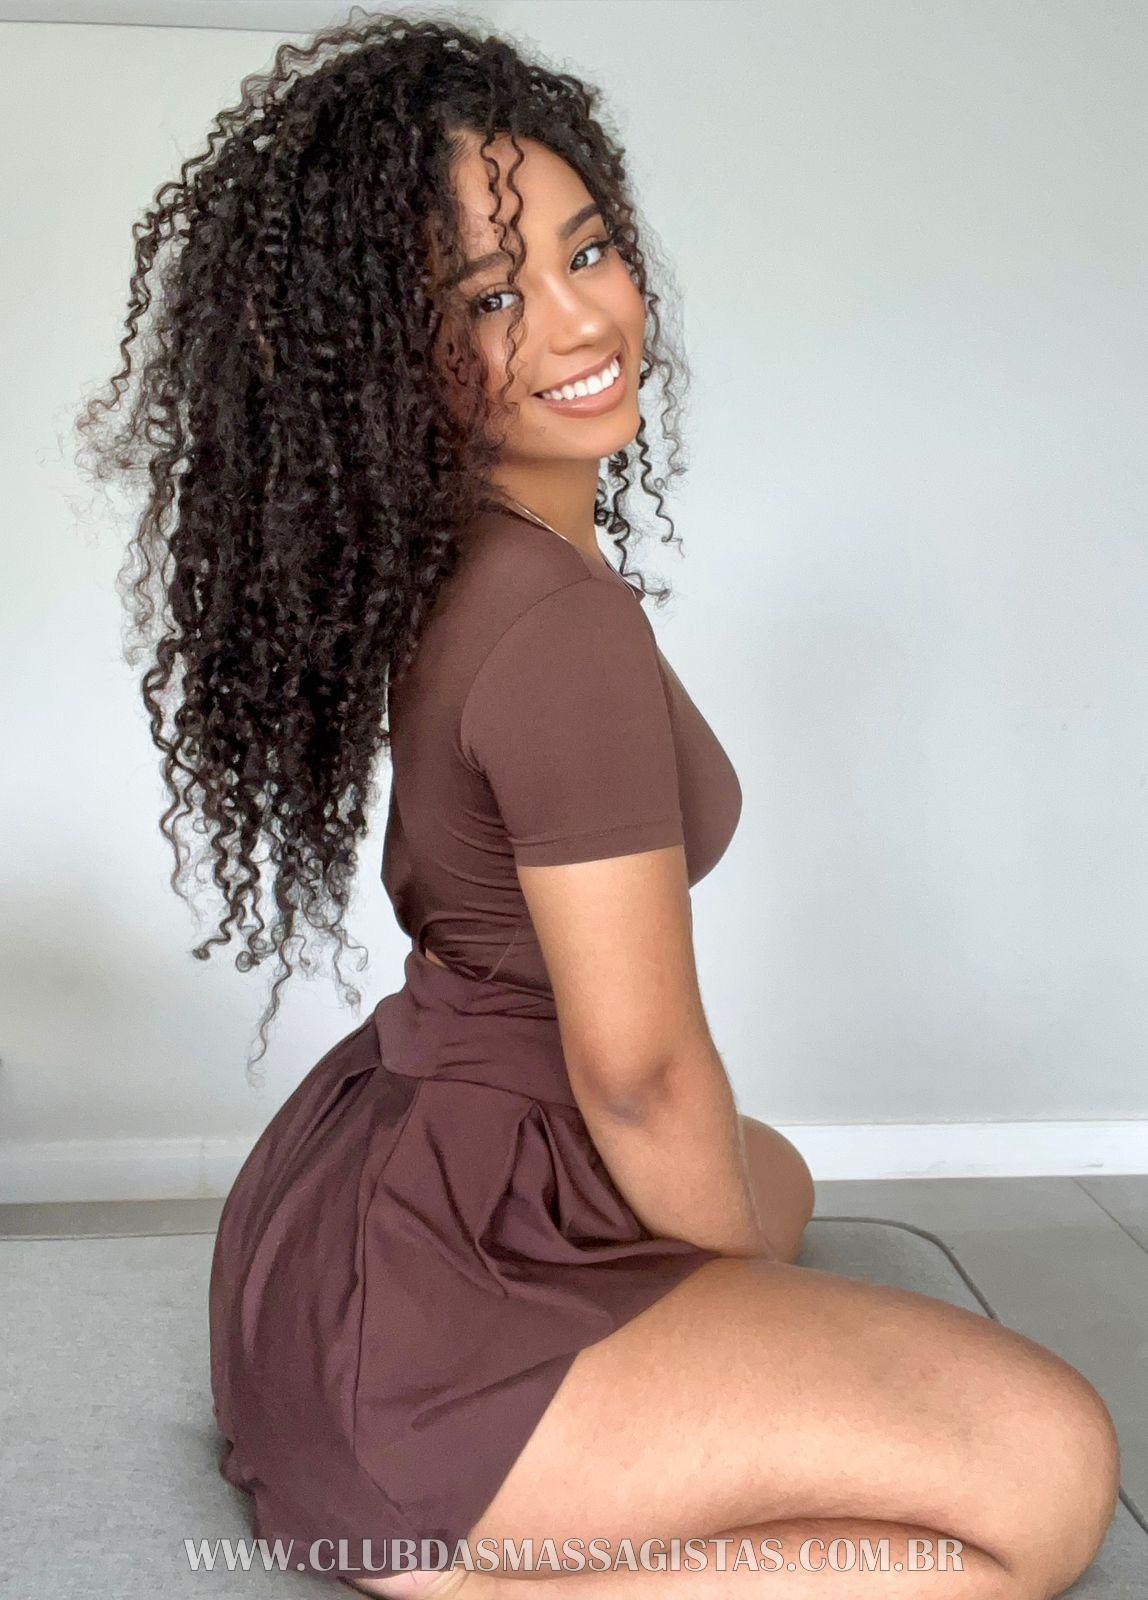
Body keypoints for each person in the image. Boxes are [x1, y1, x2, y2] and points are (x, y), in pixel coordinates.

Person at [75, 14, 1119, 1600]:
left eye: (589, 251)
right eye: (492, 297)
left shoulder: (474, 554)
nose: (580, 318)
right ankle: (477, 1582)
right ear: (394, 354)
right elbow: (638, 1078)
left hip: (382, 1196)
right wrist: (748, 1310)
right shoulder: (556, 626)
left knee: (779, 1171)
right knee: (1052, 1473)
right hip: (436, 1319)